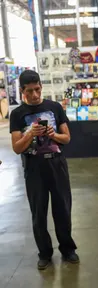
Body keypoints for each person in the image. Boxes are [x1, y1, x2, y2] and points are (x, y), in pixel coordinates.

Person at [9, 70, 78, 270]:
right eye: (29, 91)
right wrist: (30, 133)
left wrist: (53, 134)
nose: (35, 94)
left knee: (63, 209)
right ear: (22, 91)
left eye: (37, 89)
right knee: (38, 212)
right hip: (34, 167)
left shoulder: (54, 107)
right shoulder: (17, 114)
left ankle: (68, 249)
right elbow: (16, 148)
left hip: (56, 164)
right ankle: (45, 253)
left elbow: (67, 138)